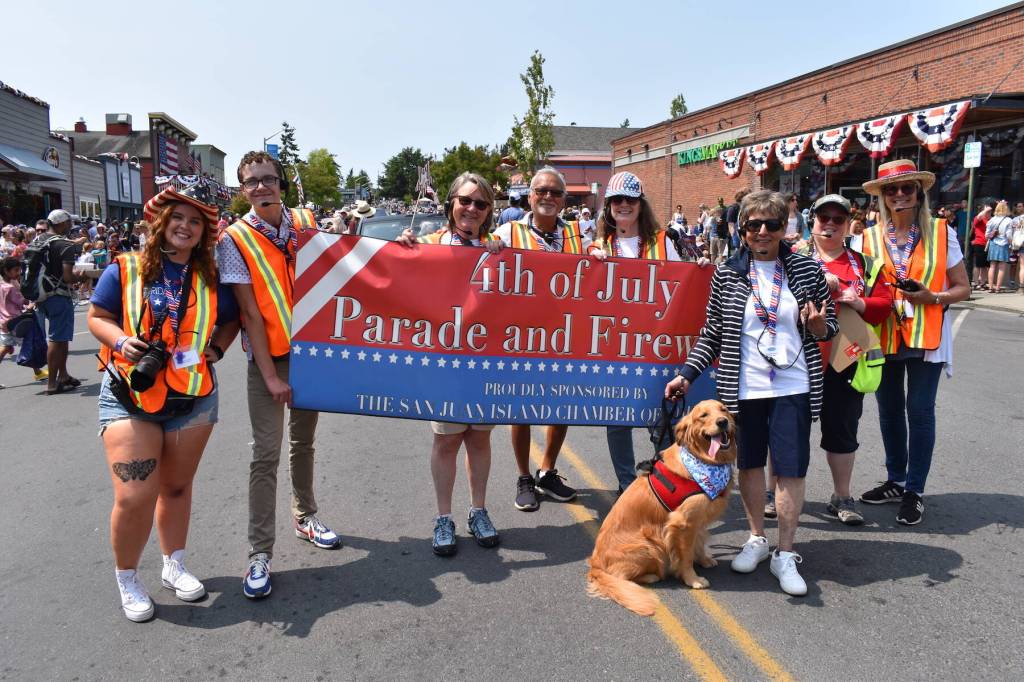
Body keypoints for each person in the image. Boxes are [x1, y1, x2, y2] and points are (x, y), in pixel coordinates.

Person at [664, 189, 837, 597]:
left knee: (791, 468)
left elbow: (827, 328)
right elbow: (713, 333)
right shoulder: (727, 274)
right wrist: (687, 374)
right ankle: (758, 538)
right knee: (750, 466)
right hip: (744, 390)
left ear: (783, 228)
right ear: (741, 230)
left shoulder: (807, 270)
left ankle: (785, 552)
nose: (761, 232)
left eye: (771, 224)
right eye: (753, 225)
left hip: (793, 386)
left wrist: (816, 327)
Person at [88, 187, 239, 622]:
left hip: (193, 394)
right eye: (178, 218)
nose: (186, 226)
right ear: (160, 222)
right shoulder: (125, 269)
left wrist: (218, 350)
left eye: (195, 222)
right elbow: (97, 317)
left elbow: (230, 319)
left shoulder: (211, 276)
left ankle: (174, 564)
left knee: (175, 487)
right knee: (135, 494)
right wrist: (120, 341)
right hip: (130, 393)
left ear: (204, 232)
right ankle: (128, 576)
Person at [217, 151, 342, 600]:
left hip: (312, 354)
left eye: (269, 179)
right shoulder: (234, 239)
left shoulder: (308, 221)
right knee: (265, 453)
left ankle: (305, 516)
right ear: (241, 189)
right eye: (252, 182)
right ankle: (259, 552)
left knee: (304, 443)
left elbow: (348, 266)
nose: (261, 188)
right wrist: (270, 376)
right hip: (268, 359)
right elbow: (249, 312)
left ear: (282, 185)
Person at [858, 160, 971, 525]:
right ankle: (896, 479)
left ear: (919, 193)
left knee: (920, 412)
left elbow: (963, 288)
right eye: (892, 189)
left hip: (927, 334)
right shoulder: (869, 237)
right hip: (885, 333)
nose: (900, 195)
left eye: (907, 188)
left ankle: (915, 490)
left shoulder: (941, 231)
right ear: (883, 197)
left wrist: (932, 297)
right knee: (889, 411)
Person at [397, 173, 502, 556]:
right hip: (444, 362)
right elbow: (398, 279)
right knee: (446, 440)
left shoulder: (497, 249)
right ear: (451, 203)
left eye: (480, 204)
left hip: (485, 360)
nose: (471, 209)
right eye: (465, 201)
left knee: (480, 438)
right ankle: (444, 517)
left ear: (489, 211)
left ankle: (479, 510)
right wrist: (402, 248)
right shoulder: (428, 245)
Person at [492, 167, 591, 511]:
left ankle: (547, 469)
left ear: (564, 199)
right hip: (521, 336)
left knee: (560, 406)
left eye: (555, 192)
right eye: (542, 191)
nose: (548, 197)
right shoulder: (508, 230)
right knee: (522, 409)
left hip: (565, 336)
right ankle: (524, 476)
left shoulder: (580, 236)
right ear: (530, 196)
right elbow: (472, 254)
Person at [587, 172, 690, 493]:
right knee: (616, 419)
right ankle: (626, 484)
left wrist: (698, 267)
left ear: (640, 204)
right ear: (608, 206)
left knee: (660, 417)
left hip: (654, 346)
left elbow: (683, 285)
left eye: (630, 199)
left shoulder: (663, 241)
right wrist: (592, 260)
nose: (623, 205)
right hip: (613, 347)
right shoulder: (597, 244)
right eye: (616, 200)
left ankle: (668, 478)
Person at [799, 195, 892, 525]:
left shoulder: (865, 264)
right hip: (797, 357)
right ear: (813, 222)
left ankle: (842, 496)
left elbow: (885, 305)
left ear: (849, 224)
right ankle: (772, 492)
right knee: (784, 428)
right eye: (824, 217)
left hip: (846, 359)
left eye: (838, 218)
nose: (830, 223)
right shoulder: (792, 258)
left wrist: (857, 301)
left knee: (842, 430)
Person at [31, 209, 88, 395]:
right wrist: (80, 276)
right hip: (57, 294)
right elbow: (68, 276)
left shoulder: (38, 240)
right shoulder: (64, 245)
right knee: (56, 339)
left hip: (39, 295)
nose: (71, 226)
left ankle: (63, 376)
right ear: (62, 224)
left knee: (61, 338)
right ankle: (52, 384)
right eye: (69, 223)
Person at [0, 256, 48, 384]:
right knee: (29, 344)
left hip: (4, 323)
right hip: (17, 323)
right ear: (6, 271)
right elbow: (22, 301)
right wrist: (32, 303)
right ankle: (38, 372)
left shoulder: (2, 286)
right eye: (16, 270)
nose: (18, 273)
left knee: (5, 347)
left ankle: (38, 372)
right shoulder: (10, 288)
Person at [985, 200, 1013, 293]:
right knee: (1002, 267)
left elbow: (987, 235)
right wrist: (1011, 244)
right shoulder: (1009, 220)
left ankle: (990, 287)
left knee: (992, 266)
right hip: (1003, 244)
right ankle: (997, 288)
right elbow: (1009, 235)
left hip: (993, 244)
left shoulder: (992, 219)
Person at [970, 203, 992, 290]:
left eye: (990, 212)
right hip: (979, 243)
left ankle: (982, 283)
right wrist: (985, 210)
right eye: (987, 211)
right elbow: (978, 218)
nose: (989, 213)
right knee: (978, 265)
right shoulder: (979, 218)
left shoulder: (991, 220)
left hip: (988, 244)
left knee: (985, 265)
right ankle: (975, 283)